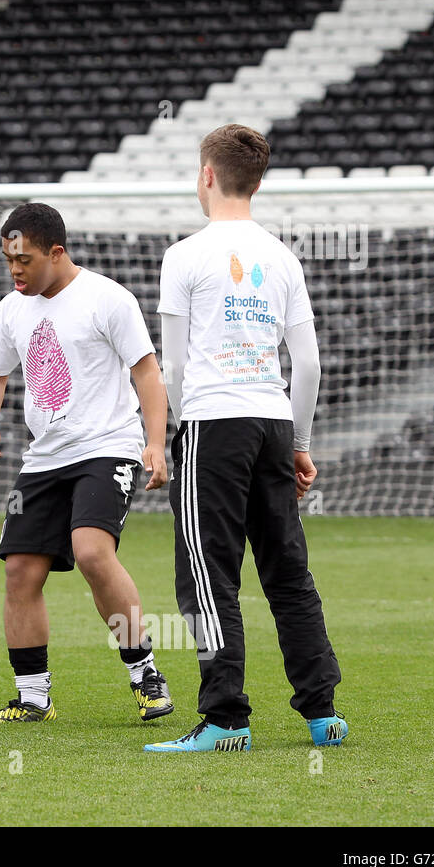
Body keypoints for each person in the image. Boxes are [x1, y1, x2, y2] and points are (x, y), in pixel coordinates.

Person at [145, 123, 344, 752]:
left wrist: (174, 429)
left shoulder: (184, 255)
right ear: (257, 181)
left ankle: (226, 718)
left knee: (206, 575)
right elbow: (307, 365)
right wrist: (300, 442)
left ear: (207, 175)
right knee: (288, 574)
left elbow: (171, 365)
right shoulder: (283, 257)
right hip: (273, 420)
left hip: (214, 423)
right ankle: (322, 714)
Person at [0, 203, 174, 723]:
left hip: (107, 447)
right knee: (19, 570)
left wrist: (155, 443)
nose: (15, 270)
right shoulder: (12, 308)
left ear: (57, 253)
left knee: (90, 551)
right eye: (8, 259)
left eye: (25, 260)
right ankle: (33, 697)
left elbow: (147, 373)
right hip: (44, 459)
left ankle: (144, 672)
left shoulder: (107, 298)